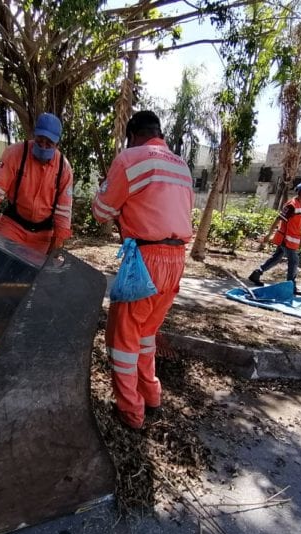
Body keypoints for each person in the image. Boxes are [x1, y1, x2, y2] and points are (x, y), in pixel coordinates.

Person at [92, 110, 194, 430]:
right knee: (146, 334)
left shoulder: (129, 158)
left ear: (132, 134)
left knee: (122, 339)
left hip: (144, 261)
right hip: (177, 259)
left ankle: (130, 413)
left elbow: (101, 212)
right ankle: (151, 397)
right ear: (158, 132)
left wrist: (106, 192)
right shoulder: (182, 166)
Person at [0, 112, 73, 255]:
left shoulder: (64, 168)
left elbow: (64, 209)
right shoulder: (15, 154)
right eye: (40, 141)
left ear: (57, 144)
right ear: (34, 135)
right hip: (12, 226)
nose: (43, 147)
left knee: (35, 275)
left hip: (43, 235)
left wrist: (59, 239)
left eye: (49, 144)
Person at [248, 181, 301, 295]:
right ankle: (291, 286)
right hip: (286, 239)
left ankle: (257, 273)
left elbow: (295, 223)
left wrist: (300, 236)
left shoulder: (300, 205)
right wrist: (268, 235)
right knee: (294, 260)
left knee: (276, 258)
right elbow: (278, 219)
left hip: (291, 239)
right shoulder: (291, 205)